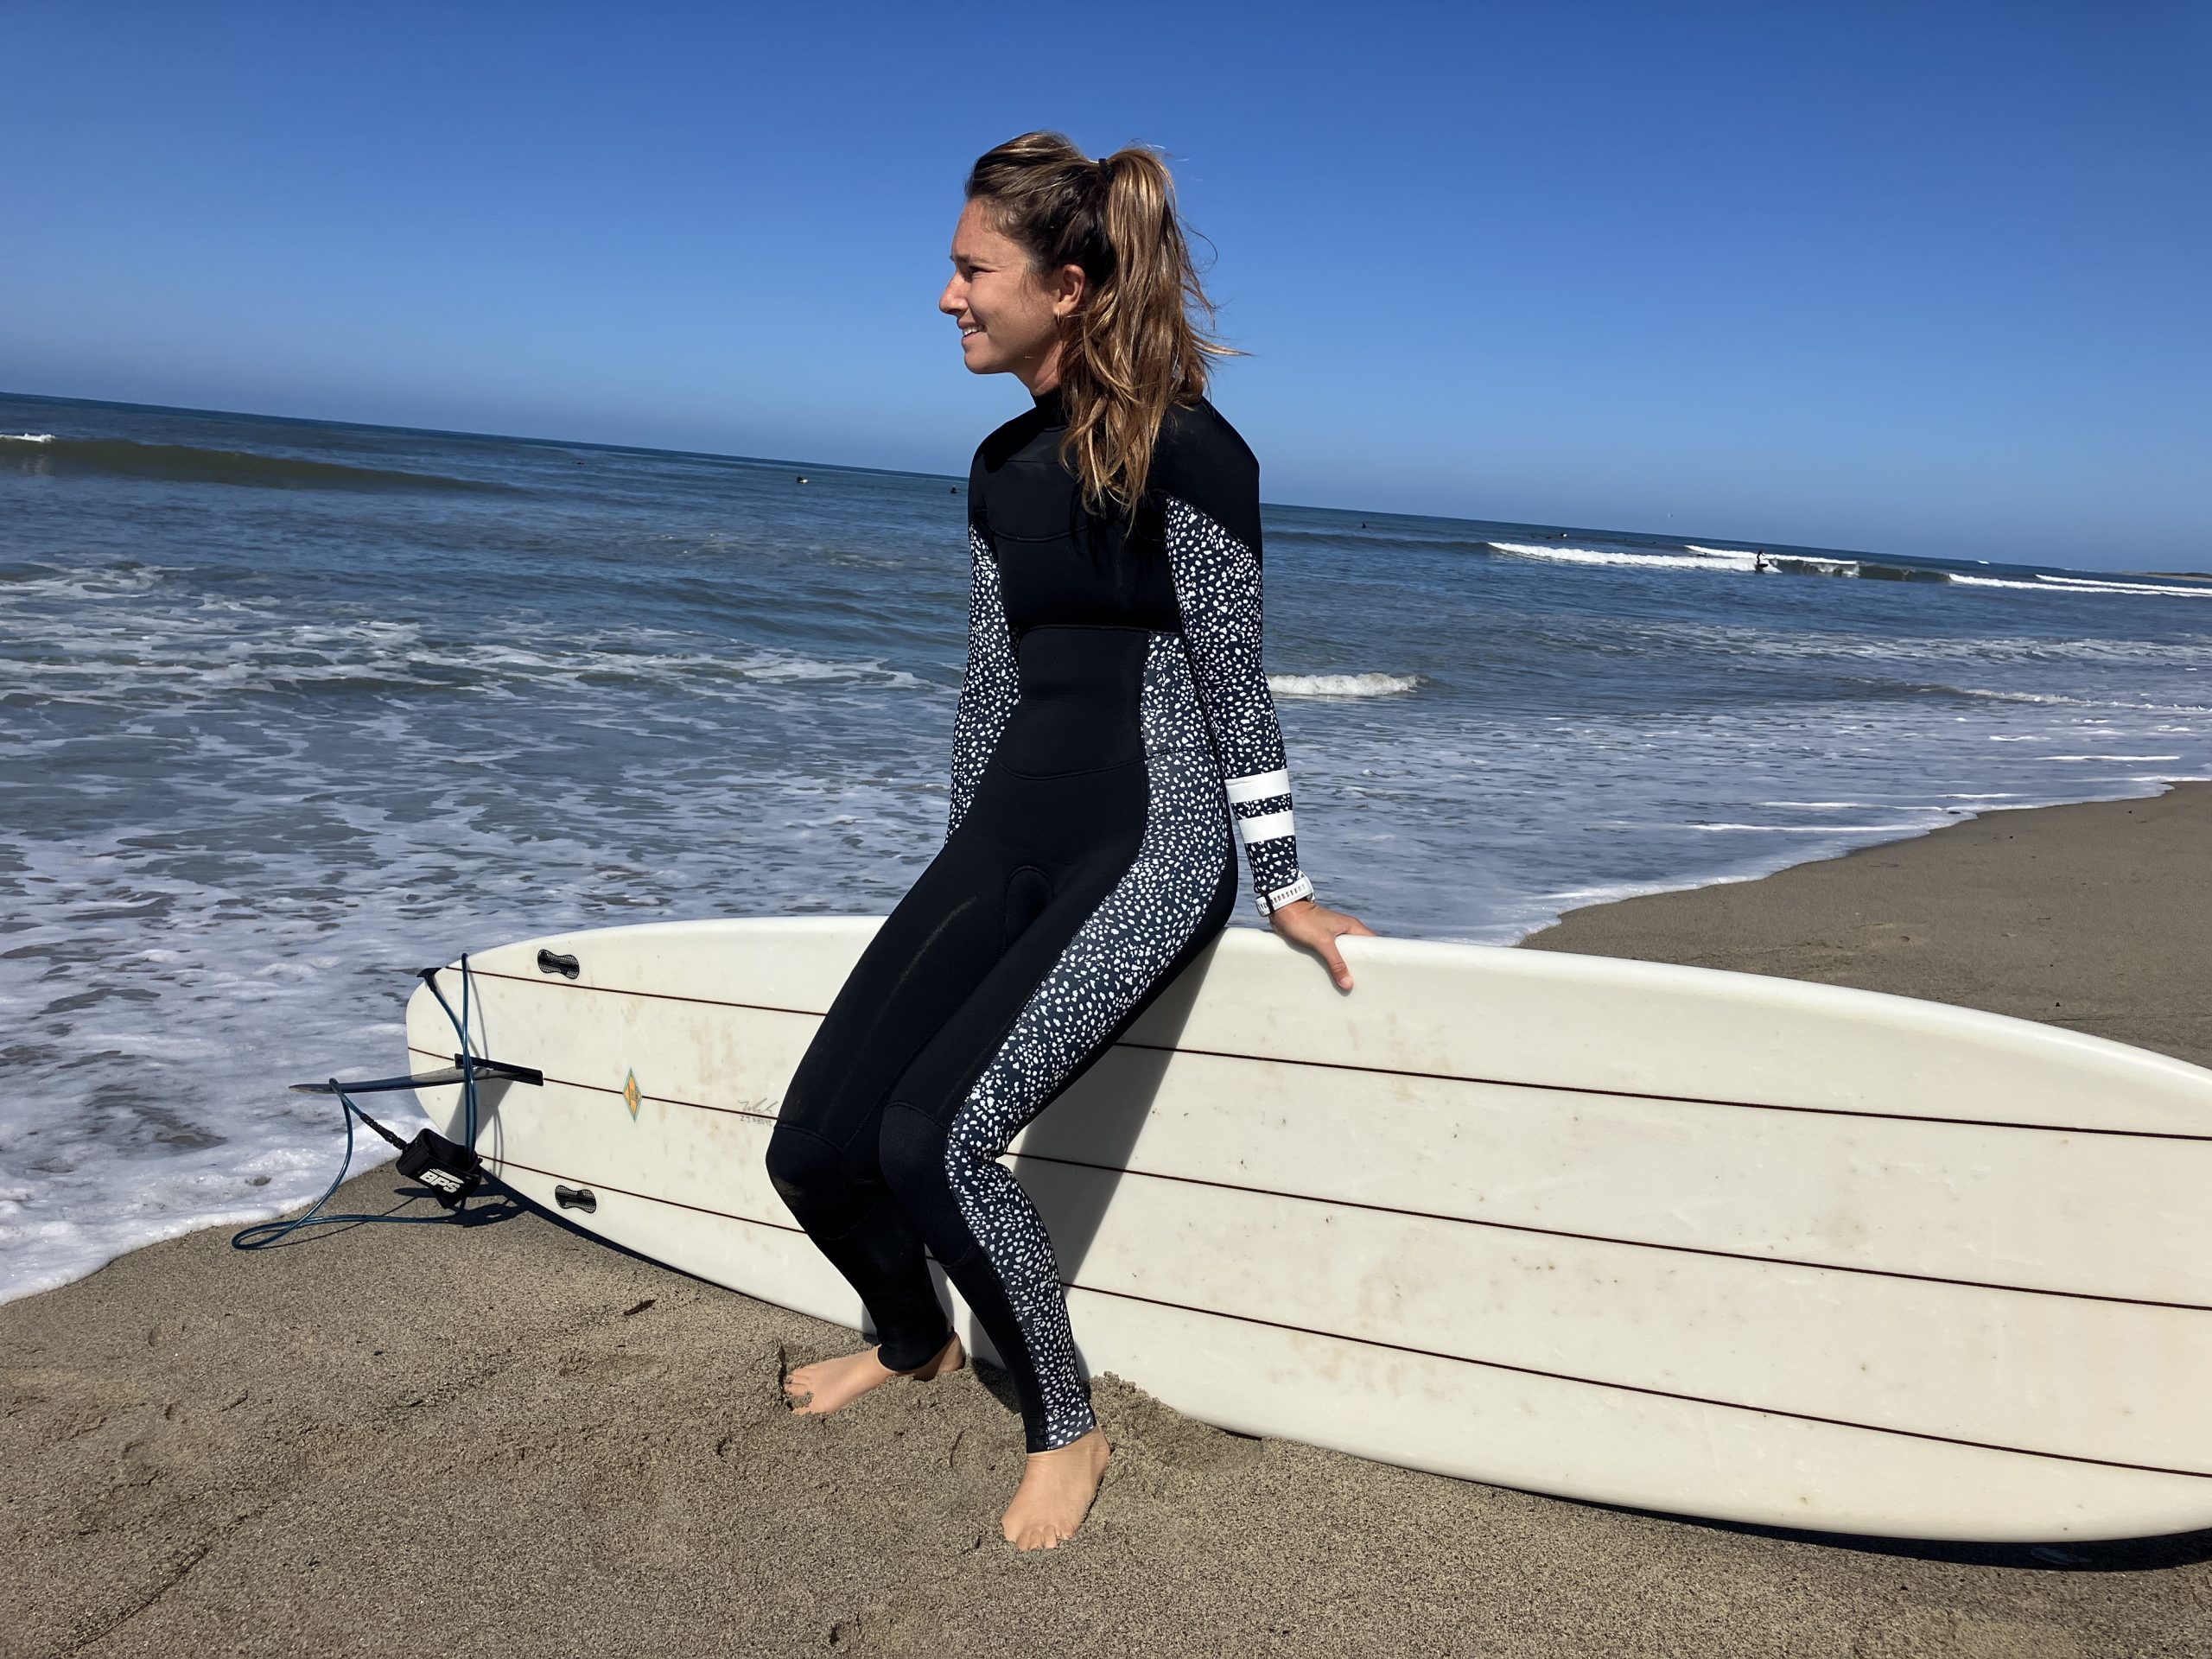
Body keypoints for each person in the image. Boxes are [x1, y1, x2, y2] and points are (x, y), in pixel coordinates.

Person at [762, 131, 1373, 1551]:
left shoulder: (1196, 452)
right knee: (813, 1148)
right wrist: (959, 874)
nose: (948, 297)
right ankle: (910, 1337)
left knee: (938, 1141)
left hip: (1150, 844)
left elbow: (1237, 685)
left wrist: (1283, 886)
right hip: (1010, 836)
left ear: (1072, 286)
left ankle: (1066, 1424)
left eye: (973, 270)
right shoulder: (996, 466)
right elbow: (990, 682)